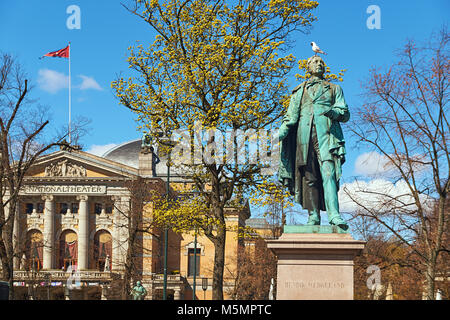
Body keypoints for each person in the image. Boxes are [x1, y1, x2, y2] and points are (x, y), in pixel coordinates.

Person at [278, 56, 349, 228]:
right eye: (315, 62)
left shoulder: (334, 88)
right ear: (308, 67)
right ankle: (313, 216)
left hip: (327, 136)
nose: (319, 64)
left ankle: (334, 215)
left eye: (321, 62)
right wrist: (280, 133)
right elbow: (291, 117)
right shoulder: (299, 91)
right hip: (304, 137)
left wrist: (333, 112)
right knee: (308, 178)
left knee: (328, 174)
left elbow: (345, 113)